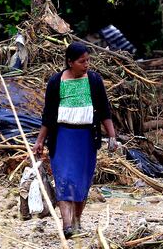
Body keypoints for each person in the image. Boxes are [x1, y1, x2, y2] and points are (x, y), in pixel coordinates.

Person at [34, 42, 118, 237]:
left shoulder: (94, 80)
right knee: (64, 178)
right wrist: (39, 141)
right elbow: (48, 116)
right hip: (62, 137)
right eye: (82, 61)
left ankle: (77, 220)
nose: (86, 64)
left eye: (88, 60)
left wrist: (112, 136)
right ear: (70, 62)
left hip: (86, 138)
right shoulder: (56, 82)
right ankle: (67, 225)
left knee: (81, 181)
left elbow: (104, 110)